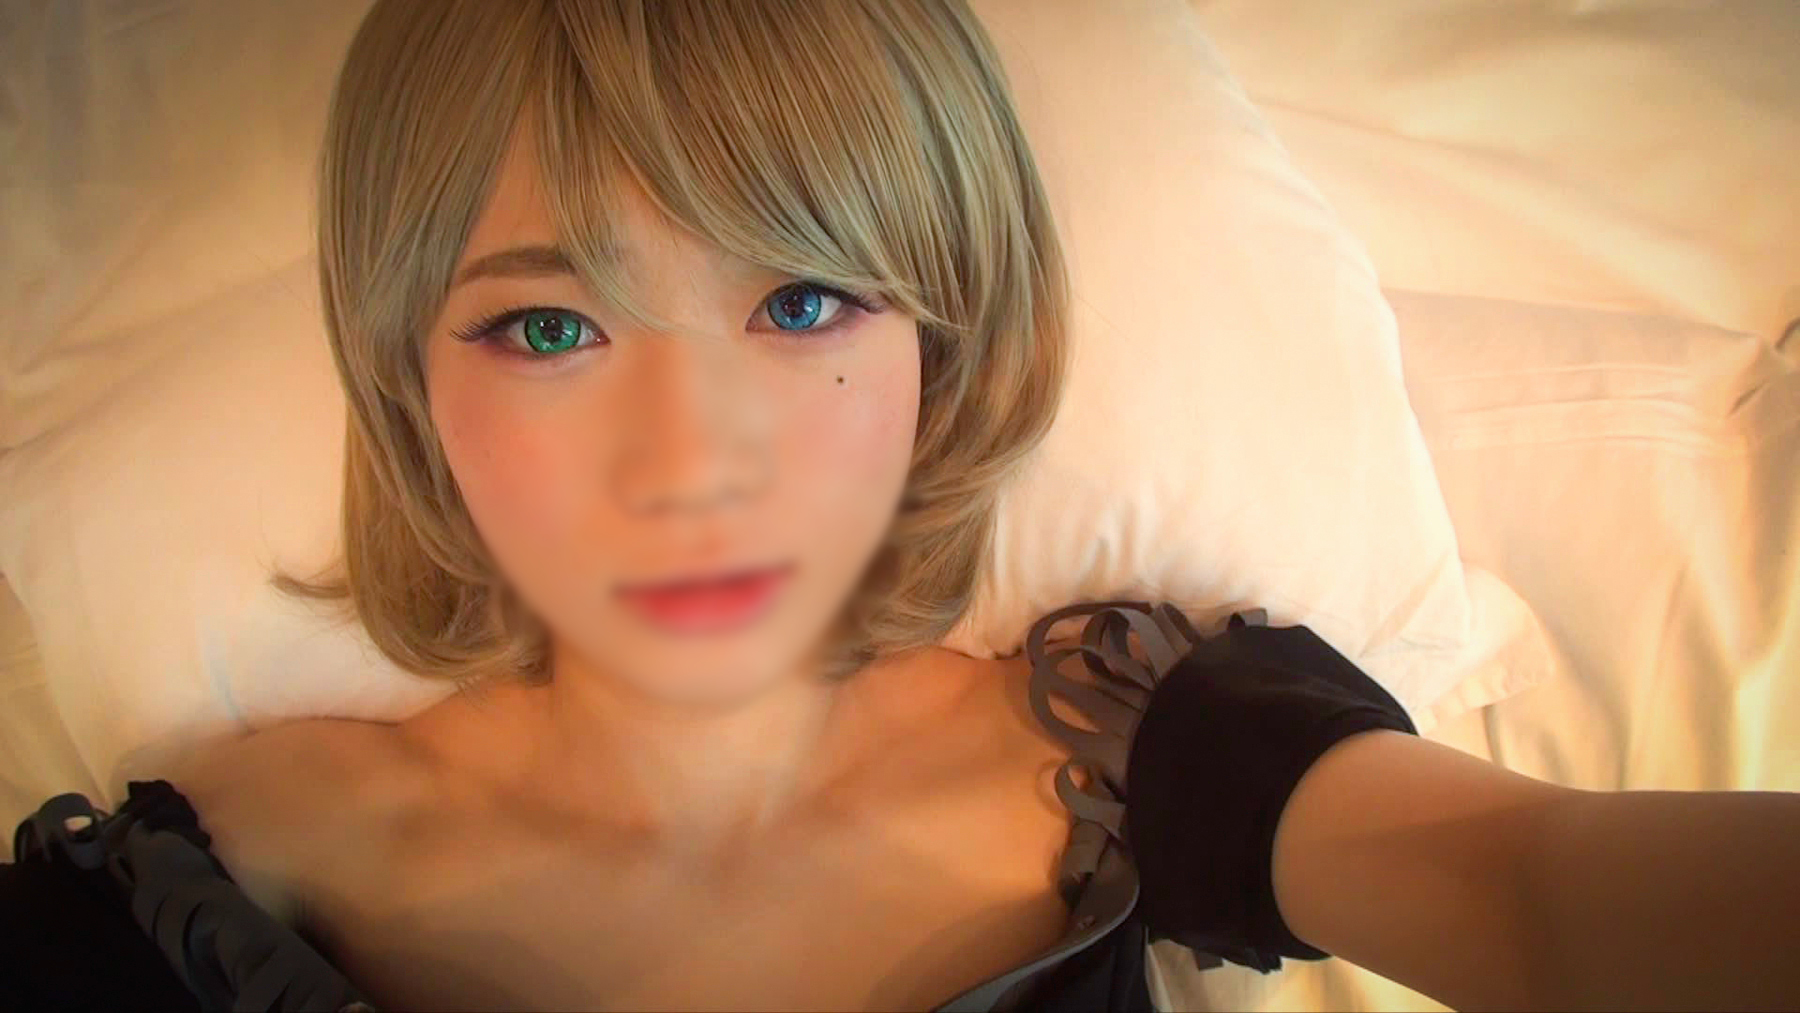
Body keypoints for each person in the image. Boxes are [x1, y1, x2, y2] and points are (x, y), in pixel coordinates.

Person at [3, 1, 1797, 1010]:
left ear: (946, 343)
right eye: (550, 327)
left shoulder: (1124, 741)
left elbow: (1533, 894)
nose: (692, 459)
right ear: (410, 384)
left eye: (801, 304)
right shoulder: (216, 880)